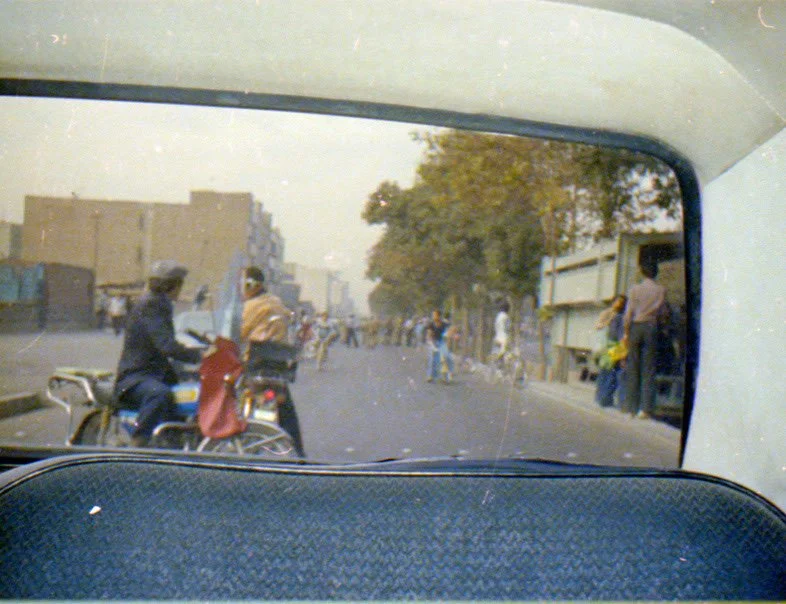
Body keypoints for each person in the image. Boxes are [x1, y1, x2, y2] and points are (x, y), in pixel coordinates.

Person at [114, 260, 204, 447]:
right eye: (180, 283)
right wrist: (198, 357)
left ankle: (174, 441)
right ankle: (139, 443)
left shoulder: (160, 303)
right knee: (159, 394)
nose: (180, 288)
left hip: (153, 373)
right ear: (170, 284)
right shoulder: (151, 304)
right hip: (136, 376)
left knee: (189, 390)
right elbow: (166, 345)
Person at [240, 266, 306, 457]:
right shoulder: (277, 303)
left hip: (255, 364)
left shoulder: (252, 307)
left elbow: (239, 334)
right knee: (286, 411)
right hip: (277, 366)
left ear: (250, 285)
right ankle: (299, 452)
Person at [623, 261, 669, 419]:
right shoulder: (661, 290)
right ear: (656, 273)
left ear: (642, 273)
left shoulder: (635, 289)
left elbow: (629, 312)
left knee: (633, 367)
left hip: (637, 326)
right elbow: (663, 312)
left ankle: (630, 408)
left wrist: (626, 331)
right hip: (651, 327)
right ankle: (645, 409)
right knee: (648, 369)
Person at [594, 295, 627, 408]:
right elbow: (599, 326)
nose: (619, 304)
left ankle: (601, 397)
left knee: (607, 371)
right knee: (610, 372)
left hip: (611, 345)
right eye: (618, 302)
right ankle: (604, 399)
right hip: (612, 345)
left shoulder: (618, 315)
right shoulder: (615, 316)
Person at [426, 309, 454, 383]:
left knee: (445, 359)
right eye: (433, 315)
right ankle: (430, 376)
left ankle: (445, 377)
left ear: (439, 316)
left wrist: (448, 343)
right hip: (433, 341)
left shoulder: (444, 324)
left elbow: (448, 334)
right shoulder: (431, 324)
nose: (434, 317)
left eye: (435, 315)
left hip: (442, 342)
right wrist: (431, 343)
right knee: (432, 359)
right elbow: (429, 334)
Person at [492, 300, 512, 367]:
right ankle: (500, 360)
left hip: (497, 337)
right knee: (507, 353)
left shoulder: (498, 316)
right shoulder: (506, 317)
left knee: (502, 352)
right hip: (504, 338)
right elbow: (508, 327)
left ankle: (499, 364)